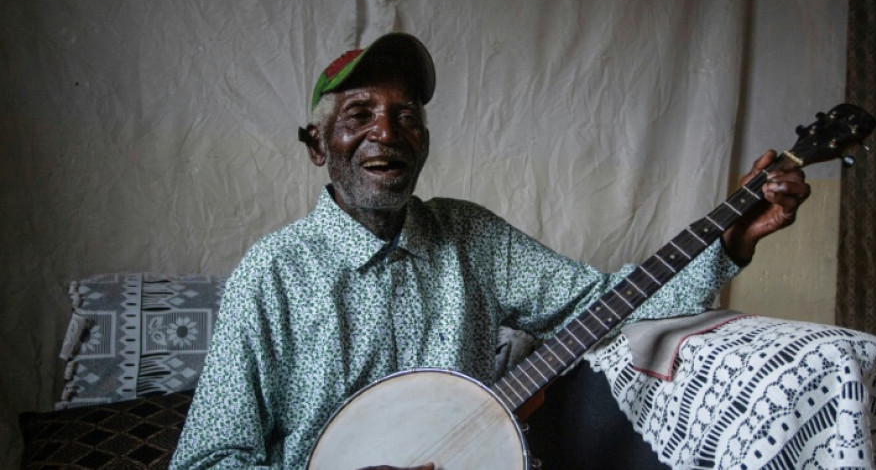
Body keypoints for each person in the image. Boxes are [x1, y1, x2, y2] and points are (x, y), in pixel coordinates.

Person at [170, 32, 809, 469]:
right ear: (317, 145)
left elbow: (607, 303)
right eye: (359, 113)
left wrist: (731, 238)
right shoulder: (273, 271)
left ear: (423, 143)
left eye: (407, 116)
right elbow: (206, 457)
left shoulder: (470, 236)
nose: (386, 133)